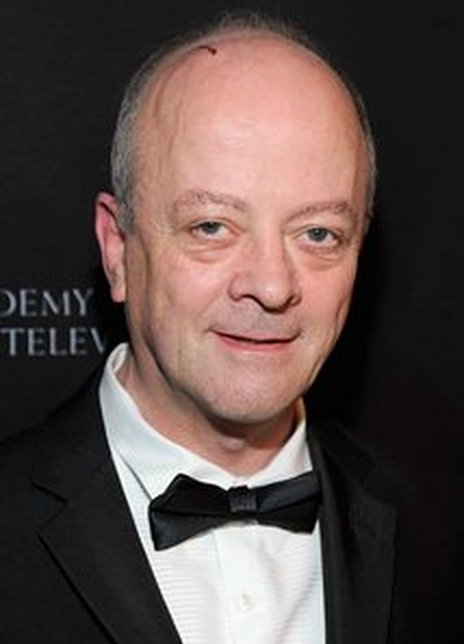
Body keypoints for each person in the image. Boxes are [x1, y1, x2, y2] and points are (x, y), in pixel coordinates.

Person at [0, 11, 454, 644]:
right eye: (211, 226)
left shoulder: (440, 539)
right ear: (118, 249)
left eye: (318, 233)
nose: (271, 285)